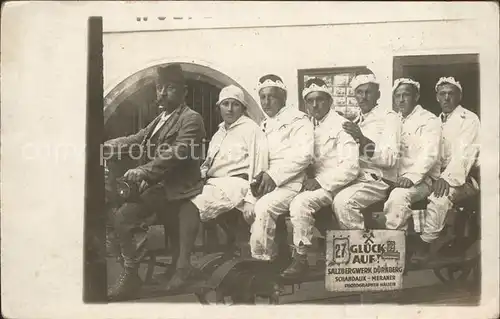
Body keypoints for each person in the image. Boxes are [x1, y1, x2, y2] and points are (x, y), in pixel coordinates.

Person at [104, 64, 206, 300]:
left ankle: (131, 277)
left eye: (169, 89)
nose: (161, 94)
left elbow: (177, 152)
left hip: (178, 189)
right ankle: (129, 266)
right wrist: (107, 145)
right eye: (159, 88)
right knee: (111, 208)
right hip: (158, 185)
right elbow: (137, 139)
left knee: (125, 216)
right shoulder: (161, 118)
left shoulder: (191, 118)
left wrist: (144, 170)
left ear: (184, 92)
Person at [281, 78, 359, 278]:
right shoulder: (308, 126)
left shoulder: (342, 125)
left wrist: (320, 182)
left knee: (300, 204)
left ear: (329, 101)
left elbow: (350, 167)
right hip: (320, 184)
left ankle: (301, 258)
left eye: (320, 100)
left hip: (340, 185)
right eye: (310, 101)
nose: (314, 105)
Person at [412, 76, 480, 261]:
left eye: (451, 94)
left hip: (463, 179)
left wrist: (446, 178)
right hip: (437, 176)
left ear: (459, 96)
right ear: (437, 97)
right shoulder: (435, 121)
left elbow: (463, 155)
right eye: (442, 94)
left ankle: (425, 244)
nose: (446, 98)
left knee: (439, 197)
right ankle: (409, 239)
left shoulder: (469, 119)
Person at [249, 74, 314, 261]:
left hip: (291, 183)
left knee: (264, 208)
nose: (266, 102)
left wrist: (274, 175)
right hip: (268, 181)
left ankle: (261, 261)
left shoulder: (298, 120)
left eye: (272, 97)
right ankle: (277, 255)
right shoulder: (264, 124)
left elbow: (304, 155)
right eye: (263, 97)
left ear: (283, 98)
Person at [190, 84, 268, 225]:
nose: (230, 109)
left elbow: (260, 166)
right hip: (212, 184)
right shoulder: (218, 134)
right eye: (225, 104)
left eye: (235, 105)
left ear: (243, 108)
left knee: (192, 207)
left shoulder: (251, 129)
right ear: (219, 107)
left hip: (235, 186)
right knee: (179, 200)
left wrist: (251, 200)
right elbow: (208, 163)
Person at [333, 74, 401, 229]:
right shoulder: (355, 120)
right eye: (359, 92)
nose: (363, 97)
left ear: (378, 95)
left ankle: (358, 247)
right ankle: (366, 234)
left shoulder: (389, 118)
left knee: (343, 202)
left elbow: (389, 159)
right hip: (355, 177)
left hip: (379, 179)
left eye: (368, 92)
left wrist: (362, 139)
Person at [384, 78, 441, 232]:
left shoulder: (428, 120)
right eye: (397, 96)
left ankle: (395, 246)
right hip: (394, 178)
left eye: (406, 95)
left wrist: (411, 177)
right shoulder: (393, 120)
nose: (401, 100)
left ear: (416, 97)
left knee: (398, 198)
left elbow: (430, 153)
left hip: (421, 180)